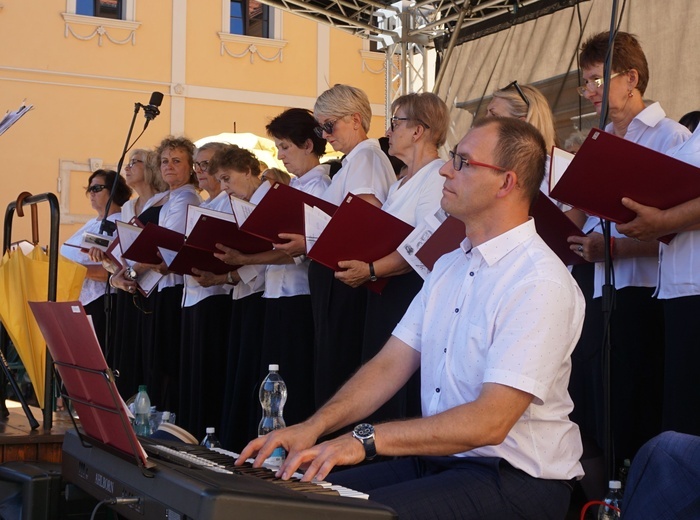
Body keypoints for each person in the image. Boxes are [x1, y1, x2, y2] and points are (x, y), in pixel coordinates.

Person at [238, 118, 585, 520]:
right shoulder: (450, 265)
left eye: (463, 162)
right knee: (296, 503)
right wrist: (314, 426)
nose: (445, 169)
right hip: (439, 460)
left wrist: (364, 439)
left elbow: (490, 422)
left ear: (506, 183)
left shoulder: (538, 280)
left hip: (517, 478)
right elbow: (390, 364)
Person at [565, 31, 690, 467]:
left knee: (639, 412)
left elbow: (676, 230)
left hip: (648, 294)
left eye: (598, 80)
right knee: (603, 415)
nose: (590, 92)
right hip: (603, 294)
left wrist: (613, 248)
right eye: (586, 84)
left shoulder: (671, 138)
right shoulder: (601, 143)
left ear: (631, 78)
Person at [275, 84, 397, 411]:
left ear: (355, 119)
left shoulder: (366, 158)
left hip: (346, 284)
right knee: (331, 368)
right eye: (320, 127)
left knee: (339, 370)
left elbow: (364, 222)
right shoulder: (354, 161)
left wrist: (308, 241)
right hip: (336, 280)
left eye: (329, 125)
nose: (325, 135)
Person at [212, 109, 331, 437]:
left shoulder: (320, 186)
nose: (280, 156)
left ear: (308, 145)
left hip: (299, 296)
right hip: (276, 295)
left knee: (293, 380)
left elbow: (294, 249)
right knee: (273, 379)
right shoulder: (297, 185)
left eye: (285, 147)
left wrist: (245, 255)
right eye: (277, 148)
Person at [334, 92, 448, 422]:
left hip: (409, 292)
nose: (388, 132)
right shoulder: (400, 183)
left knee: (400, 388)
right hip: (383, 290)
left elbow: (425, 245)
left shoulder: (437, 175)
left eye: (396, 123)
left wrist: (371, 268)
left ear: (419, 131)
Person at [614, 125, 700, 437]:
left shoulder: (671, 133)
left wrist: (664, 221)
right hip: (678, 289)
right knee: (682, 426)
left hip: (694, 287)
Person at [127, 136, 201, 415]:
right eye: (164, 161)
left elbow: (166, 247)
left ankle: (165, 417)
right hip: (153, 286)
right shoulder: (163, 197)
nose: (169, 166)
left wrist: (133, 269)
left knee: (165, 357)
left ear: (191, 167)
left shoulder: (186, 197)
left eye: (177, 161)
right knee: (152, 357)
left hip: (172, 286)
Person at [207, 144, 270, 451]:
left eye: (228, 178)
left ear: (248, 170)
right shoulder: (243, 202)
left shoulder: (268, 198)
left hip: (266, 294)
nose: (225, 187)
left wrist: (236, 266)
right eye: (220, 181)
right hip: (245, 291)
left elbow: (274, 255)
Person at [178, 141, 232, 438]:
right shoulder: (204, 204)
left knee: (209, 372)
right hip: (193, 294)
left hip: (216, 296)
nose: (199, 170)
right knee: (192, 372)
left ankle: (207, 434)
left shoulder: (228, 202)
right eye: (197, 164)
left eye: (206, 164)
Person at [107, 149, 168, 398]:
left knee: (149, 358)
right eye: (127, 163)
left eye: (135, 162)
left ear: (151, 168)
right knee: (127, 356)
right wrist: (114, 276)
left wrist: (130, 272)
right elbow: (117, 251)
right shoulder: (128, 206)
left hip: (153, 286)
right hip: (128, 287)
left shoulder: (165, 201)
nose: (127, 167)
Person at [61, 169, 131, 353]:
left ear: (114, 190)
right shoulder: (91, 223)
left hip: (100, 303)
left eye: (97, 188)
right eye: (89, 189)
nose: (91, 193)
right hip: (78, 302)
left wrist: (71, 269)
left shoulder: (120, 223)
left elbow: (110, 270)